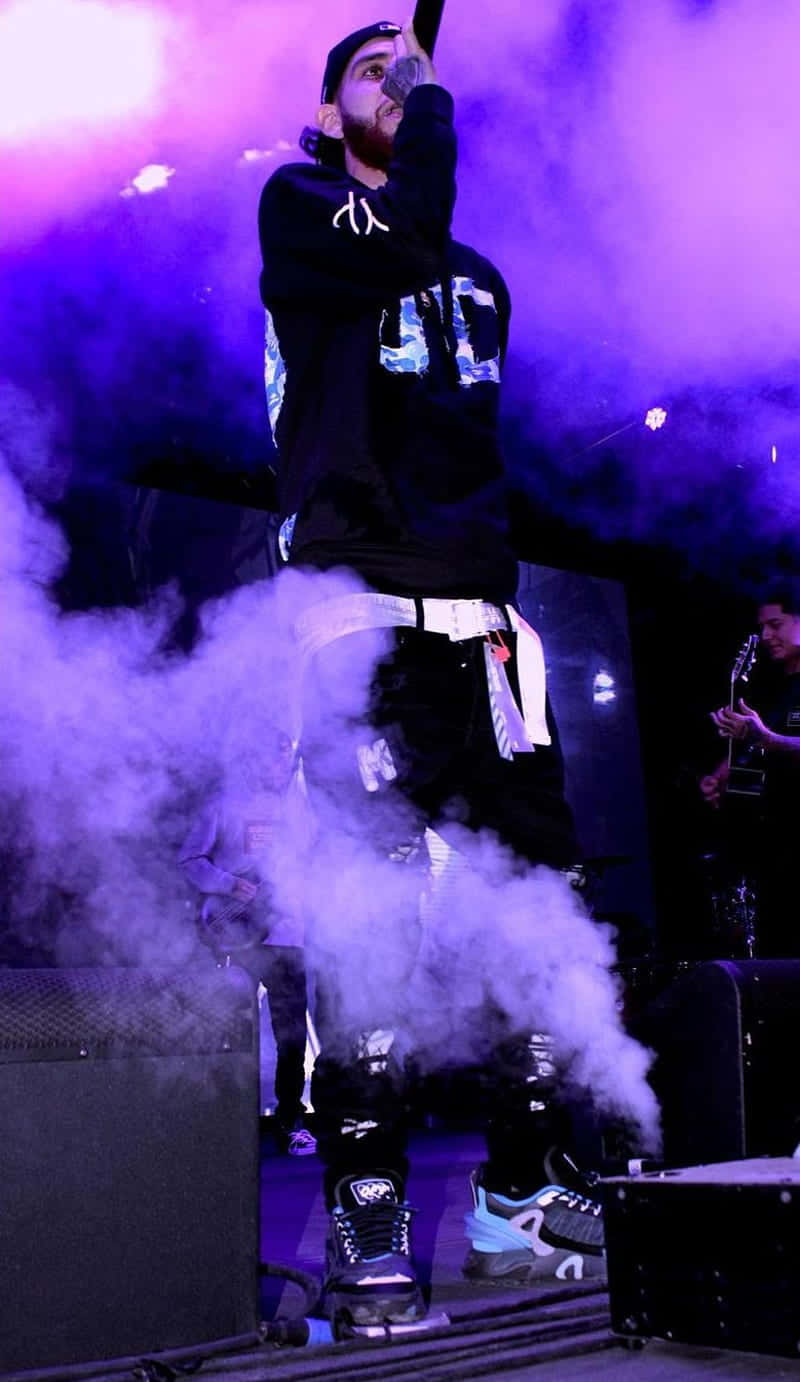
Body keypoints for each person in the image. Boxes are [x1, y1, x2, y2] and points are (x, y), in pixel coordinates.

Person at [257, 19, 634, 1328]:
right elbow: (400, 237)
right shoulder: (301, 207)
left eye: (402, 66)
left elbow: (462, 447)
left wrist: (508, 613)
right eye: (370, 70)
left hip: (480, 623)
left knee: (553, 905)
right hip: (356, 614)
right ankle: (366, 1203)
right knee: (372, 908)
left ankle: (519, 1188)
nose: (398, 81)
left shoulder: (478, 275)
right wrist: (430, 113)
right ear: (326, 113)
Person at [179, 725, 317, 1156]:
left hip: (285, 933)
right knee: (222, 1026)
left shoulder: (300, 813)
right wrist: (229, 885)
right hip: (233, 933)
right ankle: (216, 1120)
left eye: (285, 755)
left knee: (292, 1033)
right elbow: (189, 860)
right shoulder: (222, 807)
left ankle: (290, 1119)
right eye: (272, 755)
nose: (280, 763)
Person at [701, 586, 800, 957]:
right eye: (762, 627)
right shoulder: (779, 690)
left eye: (776, 624)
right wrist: (723, 775)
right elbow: (765, 752)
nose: (765, 636)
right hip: (776, 851)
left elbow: (774, 741)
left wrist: (767, 738)